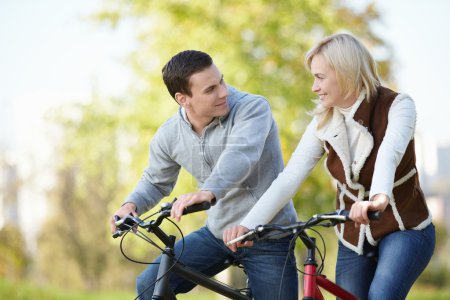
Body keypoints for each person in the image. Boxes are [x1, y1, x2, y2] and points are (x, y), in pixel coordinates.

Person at [223, 33, 435, 300]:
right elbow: (290, 177)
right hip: (352, 233)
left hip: (405, 227)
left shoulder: (397, 106)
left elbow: (389, 153)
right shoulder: (324, 119)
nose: (314, 87)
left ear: (346, 72)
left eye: (320, 77)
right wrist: (248, 225)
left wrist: (378, 199)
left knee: (382, 295)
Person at [109, 50, 298, 300]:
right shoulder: (169, 135)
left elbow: (241, 155)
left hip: (268, 234)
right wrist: (130, 205)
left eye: (221, 81)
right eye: (210, 89)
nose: (224, 92)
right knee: (149, 285)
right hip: (218, 233)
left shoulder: (252, 108)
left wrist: (208, 192)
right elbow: (155, 180)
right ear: (183, 99)